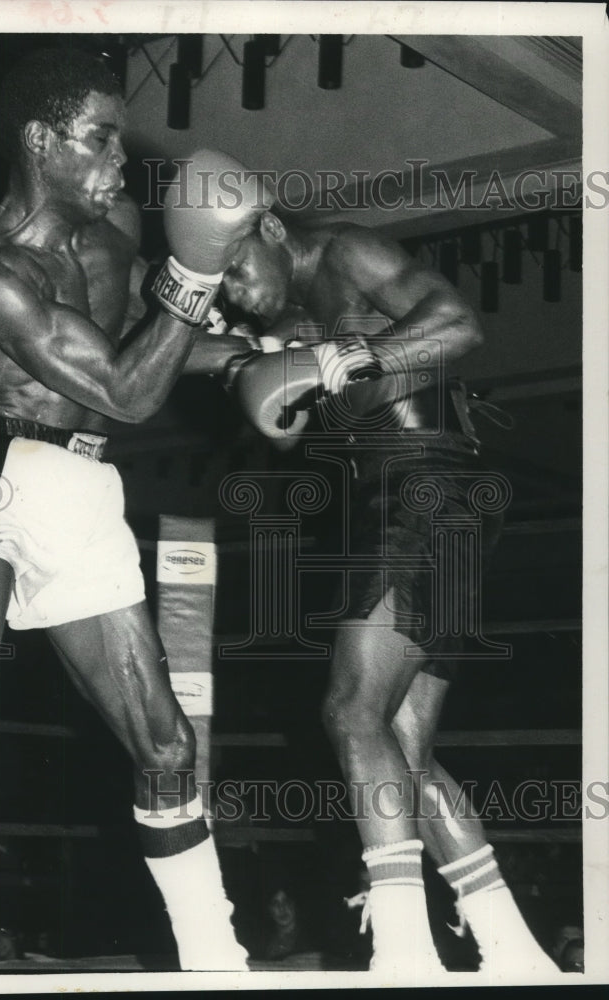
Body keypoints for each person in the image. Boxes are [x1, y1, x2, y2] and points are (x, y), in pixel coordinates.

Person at [0, 50, 265, 972]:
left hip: (92, 492)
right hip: (3, 474)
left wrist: (261, 348)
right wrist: (198, 278)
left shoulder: (115, 234)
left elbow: (156, 346)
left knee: (168, 743)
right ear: (40, 141)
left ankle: (217, 962)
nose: (118, 162)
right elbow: (126, 391)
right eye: (99, 140)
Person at [208, 149, 559, 979]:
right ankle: (516, 950)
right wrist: (240, 347)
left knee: (349, 712)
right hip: (424, 497)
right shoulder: (291, 310)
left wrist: (347, 359)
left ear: (266, 227)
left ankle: (404, 947)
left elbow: (461, 324)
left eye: (232, 270)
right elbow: (229, 362)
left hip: (426, 486)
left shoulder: (345, 252)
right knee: (405, 747)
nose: (232, 290)